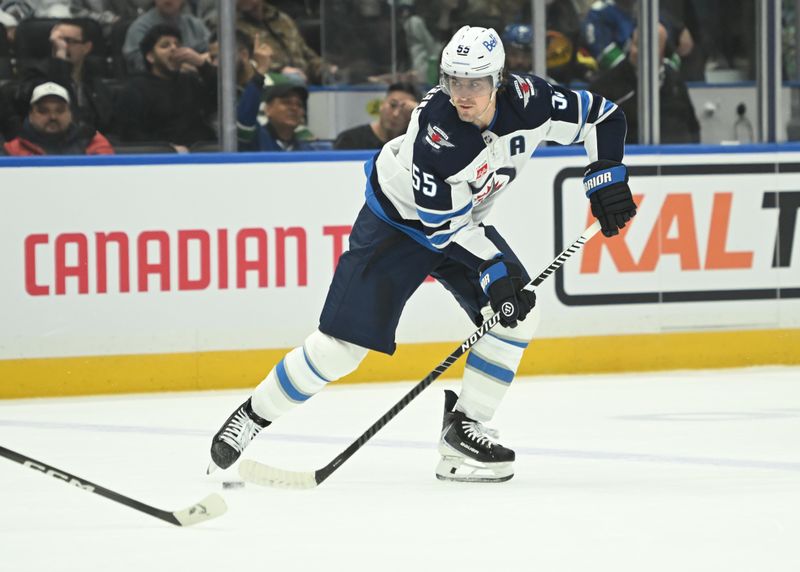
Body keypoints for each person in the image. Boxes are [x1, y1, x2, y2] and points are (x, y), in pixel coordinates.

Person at [207, 25, 635, 483]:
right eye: (454, 81)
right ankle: (251, 418)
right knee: (339, 350)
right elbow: (441, 230)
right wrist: (497, 272)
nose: (463, 95)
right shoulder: (439, 131)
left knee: (517, 317)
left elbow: (604, 116)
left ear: (500, 81)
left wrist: (606, 176)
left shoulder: (534, 101)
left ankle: (463, 431)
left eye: (475, 83)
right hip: (397, 225)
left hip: (462, 223)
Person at [589, 24, 700, 144]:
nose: (640, 51)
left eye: (649, 46)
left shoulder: (675, 82)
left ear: (663, 51)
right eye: (636, 44)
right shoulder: (606, 84)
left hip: (676, 157)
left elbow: (693, 128)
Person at [115, 24, 216, 149]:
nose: (174, 48)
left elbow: (221, 97)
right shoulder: (135, 89)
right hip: (160, 159)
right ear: (150, 57)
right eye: (165, 45)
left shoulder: (190, 81)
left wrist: (202, 65)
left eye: (177, 45)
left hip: (200, 153)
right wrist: (167, 149)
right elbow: (131, 136)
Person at [20, 19, 114, 133]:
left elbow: (107, 121)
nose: (62, 46)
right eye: (56, 42)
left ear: (87, 47)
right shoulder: (36, 75)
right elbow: (57, 98)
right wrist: (60, 59)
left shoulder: (94, 79)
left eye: (68, 41)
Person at [1, 81, 113, 155]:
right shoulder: (13, 150)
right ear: (31, 114)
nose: (53, 117)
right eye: (43, 111)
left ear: (70, 113)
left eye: (60, 110)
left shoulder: (93, 142)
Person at [122, 0, 210, 72]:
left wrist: (201, 60)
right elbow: (140, 64)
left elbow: (214, 51)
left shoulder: (194, 25)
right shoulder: (140, 28)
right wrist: (181, 66)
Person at [334, 82, 420, 150]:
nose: (396, 114)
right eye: (393, 105)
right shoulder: (349, 140)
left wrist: (419, 109)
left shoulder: (414, 143)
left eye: (404, 110)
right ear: (382, 105)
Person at [237, 83, 313, 151]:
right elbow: (245, 118)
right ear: (267, 109)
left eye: (299, 105)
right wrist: (257, 79)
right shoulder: (255, 139)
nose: (294, 108)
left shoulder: (307, 151)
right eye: (286, 102)